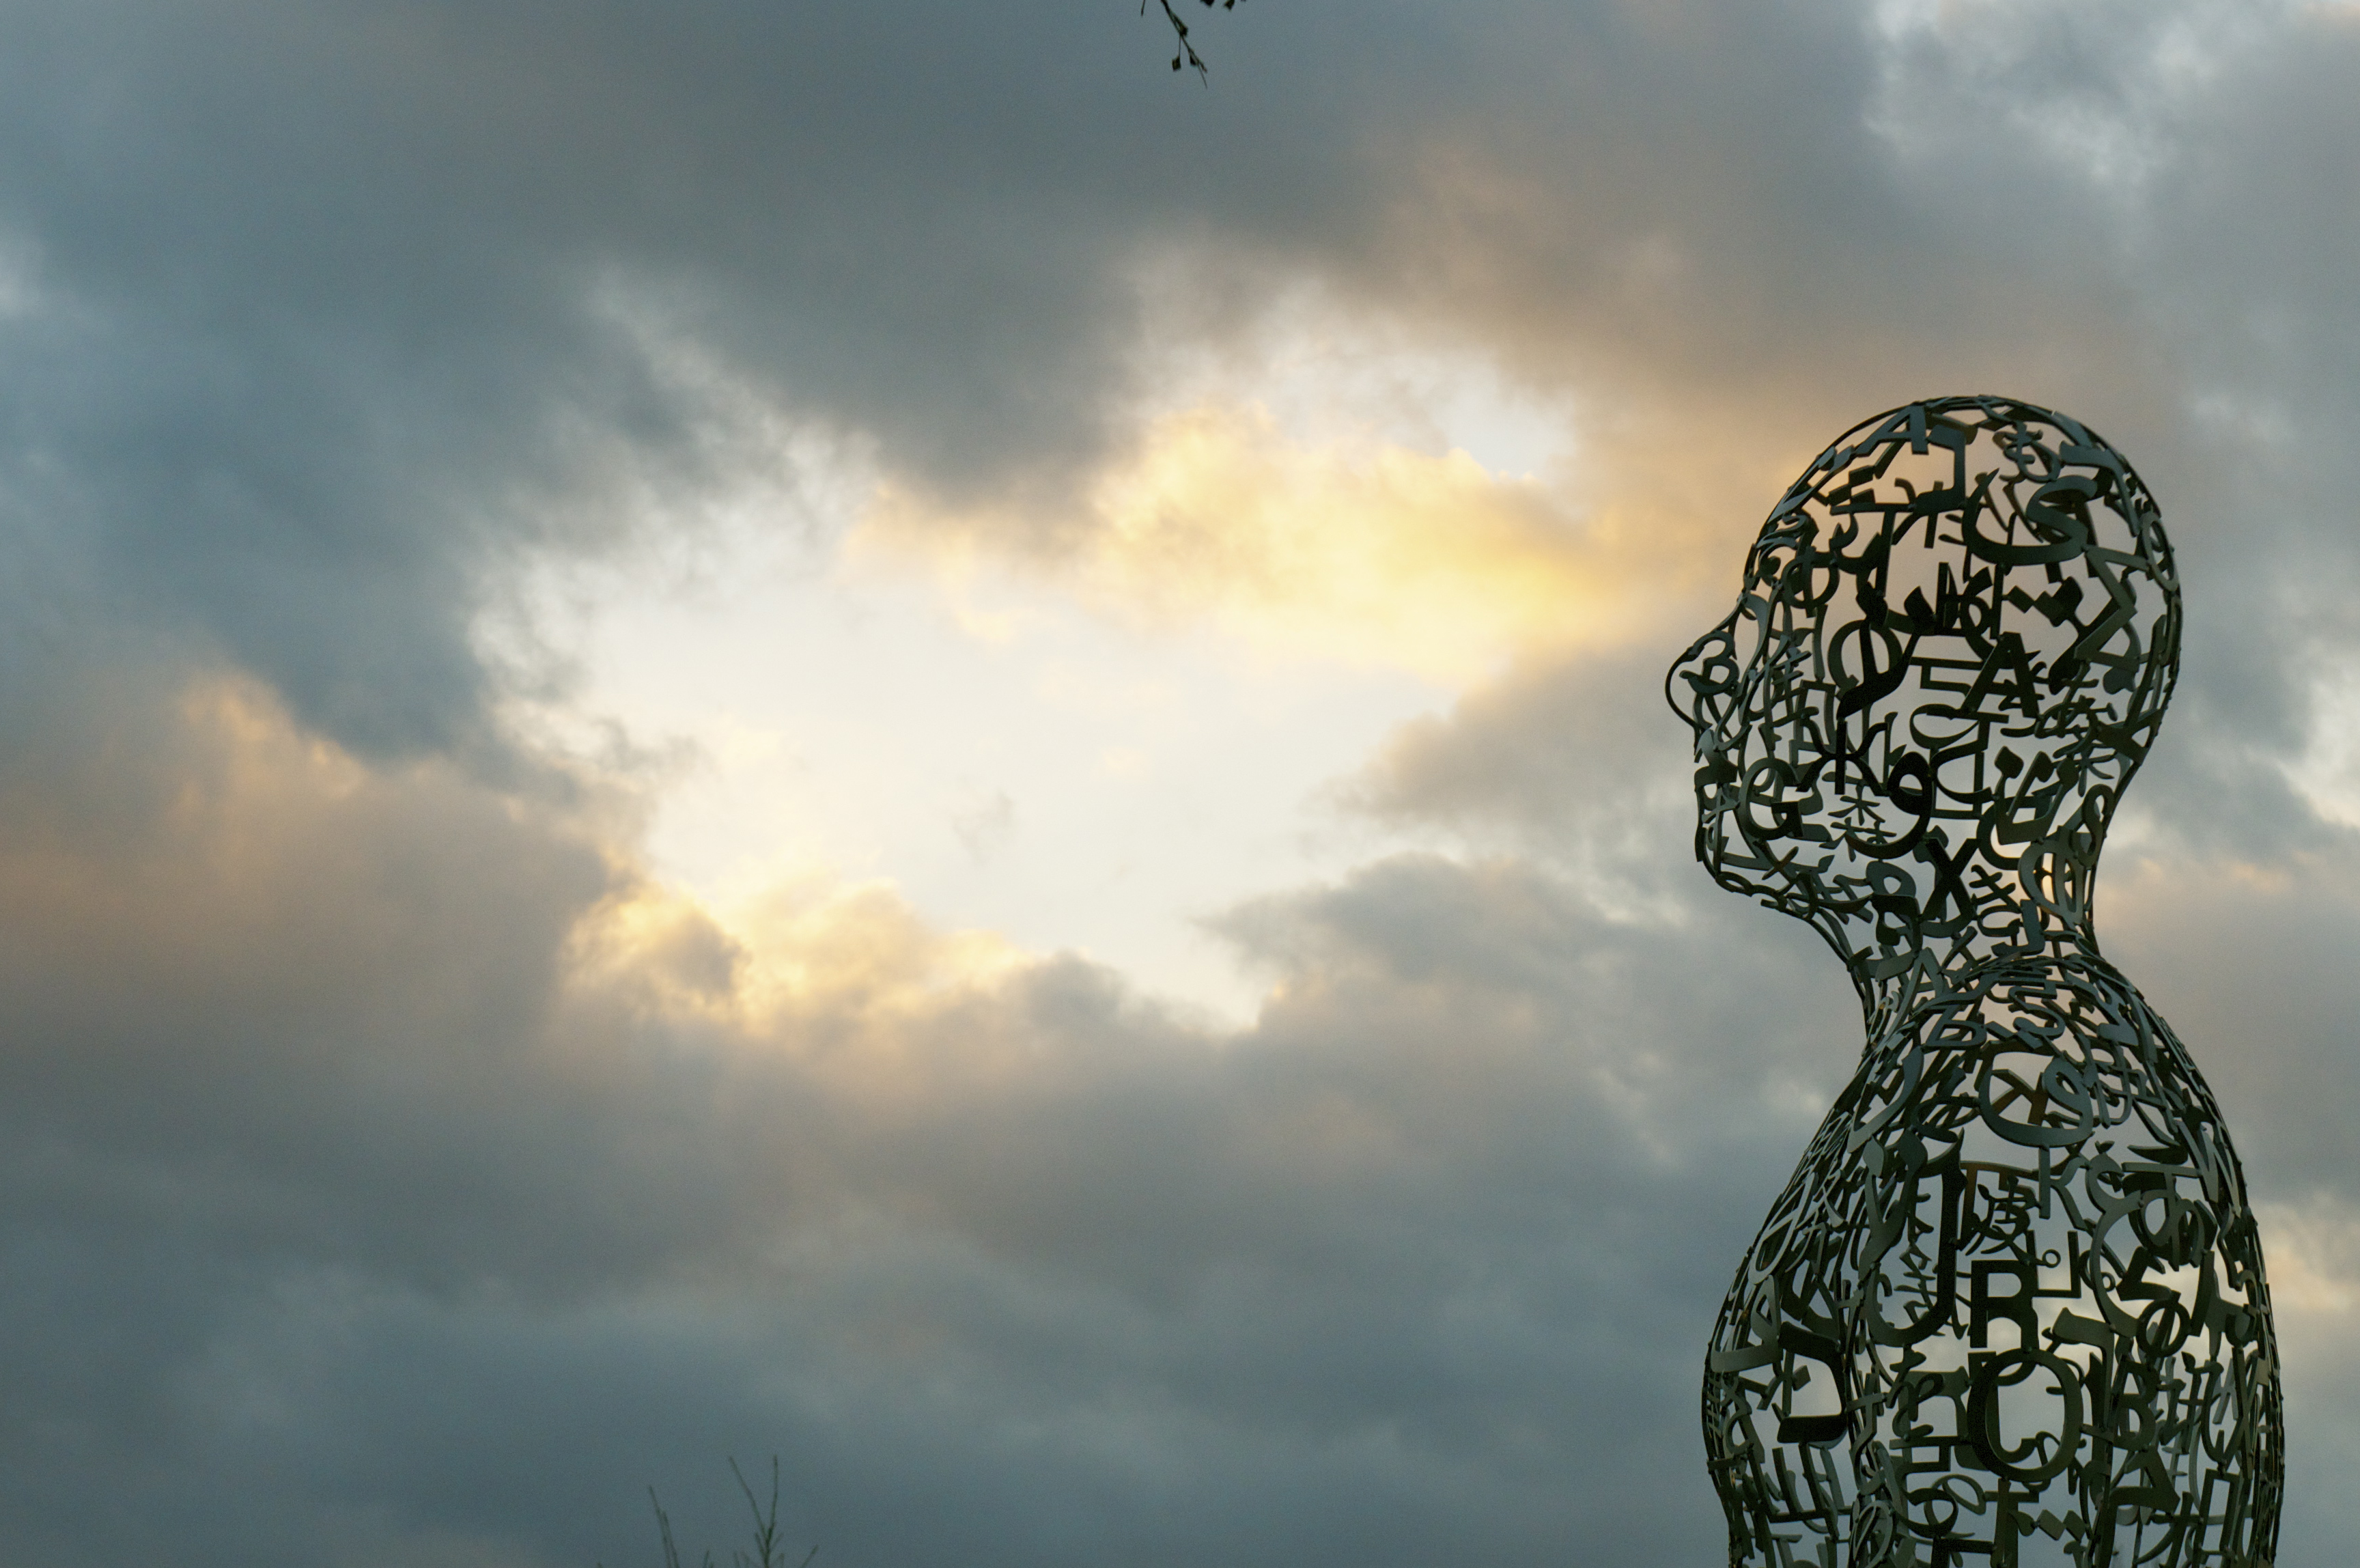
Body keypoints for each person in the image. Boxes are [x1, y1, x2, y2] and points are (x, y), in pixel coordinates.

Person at [1664, 397, 2283, 1566]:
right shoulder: (1981, 1065)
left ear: (1932, 710)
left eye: (1777, 607)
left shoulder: (2014, 1090)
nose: (1698, 674)